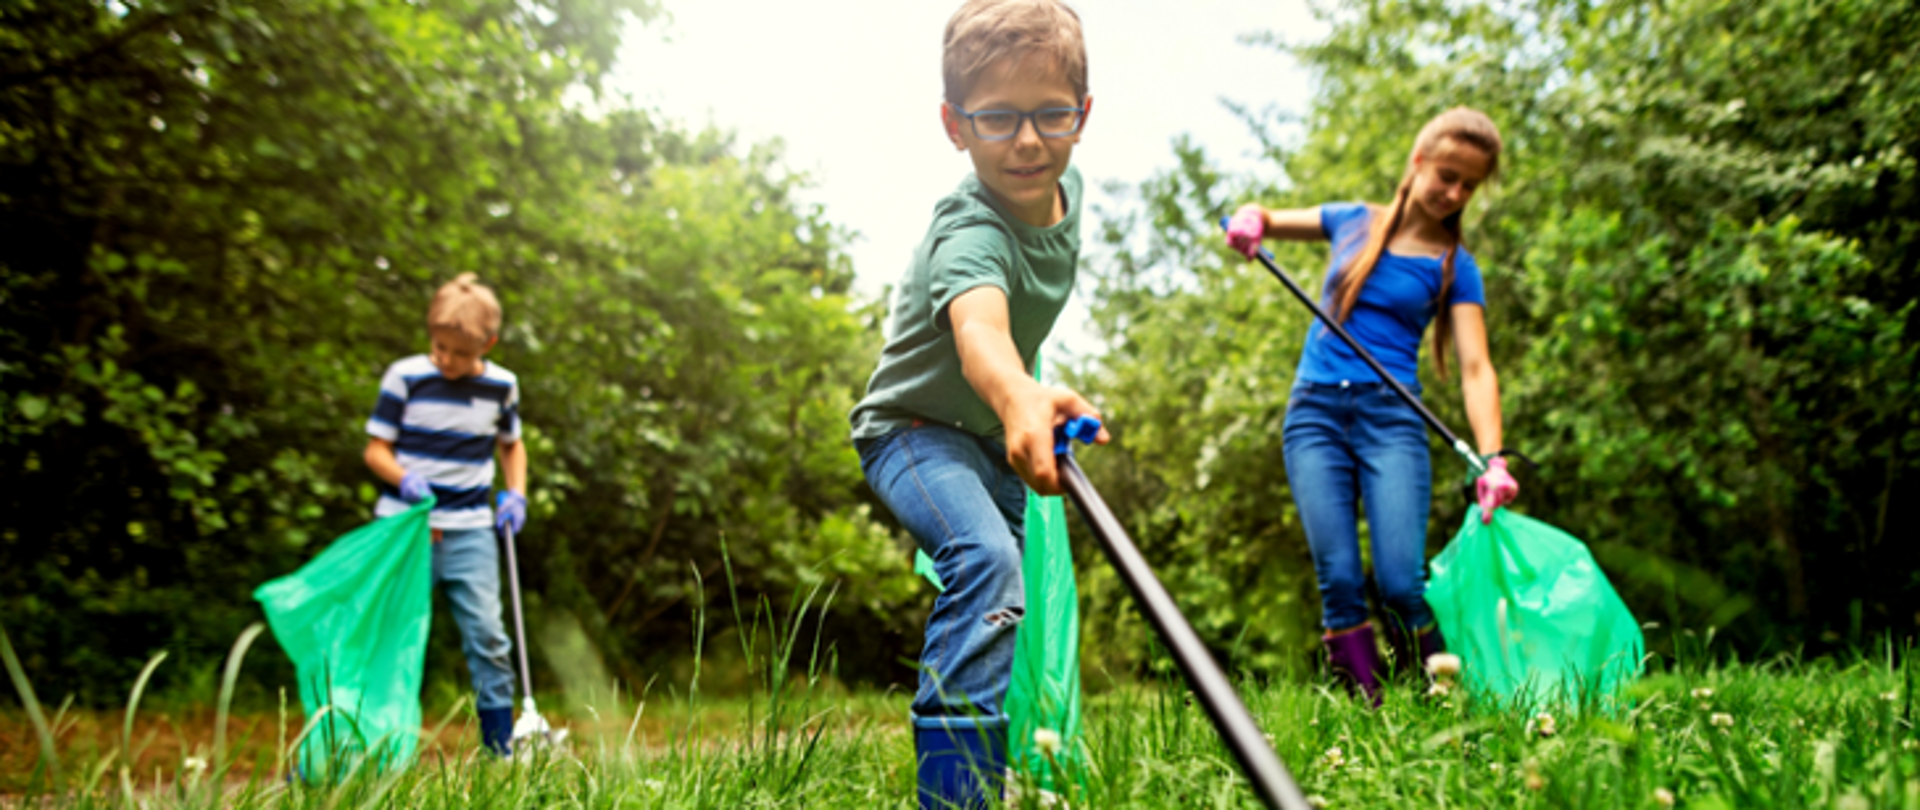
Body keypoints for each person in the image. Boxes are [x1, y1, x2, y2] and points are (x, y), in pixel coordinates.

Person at [848, 0, 1105, 803]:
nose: (1028, 141)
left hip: (990, 436)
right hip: (914, 435)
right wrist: (1017, 390)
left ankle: (992, 779)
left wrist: (1029, 398)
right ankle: (954, 795)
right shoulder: (969, 227)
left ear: (1082, 115)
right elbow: (982, 331)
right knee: (987, 568)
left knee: (1009, 605)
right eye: (997, 118)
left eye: (1050, 114)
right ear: (955, 126)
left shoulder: (1068, 192)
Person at [1224, 107, 1519, 704]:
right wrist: (1251, 219)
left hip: (1392, 420)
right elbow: (1267, 218)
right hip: (1314, 417)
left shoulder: (1456, 268)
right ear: (1418, 162)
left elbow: (1475, 368)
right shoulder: (1351, 222)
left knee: (1401, 584)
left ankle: (1446, 704)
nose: (1455, 192)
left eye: (1469, 185)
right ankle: (1368, 717)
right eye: (1447, 174)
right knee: (1338, 582)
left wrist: (1494, 458)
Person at [363, 272, 529, 754]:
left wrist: (515, 493)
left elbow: (511, 446)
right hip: (406, 529)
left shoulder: (502, 386)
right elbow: (376, 451)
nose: (448, 360)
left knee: (489, 640)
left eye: (460, 353)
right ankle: (365, 747)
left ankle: (499, 752)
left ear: (488, 343)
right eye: (440, 348)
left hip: (472, 531)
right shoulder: (406, 377)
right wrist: (404, 480)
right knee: (387, 639)